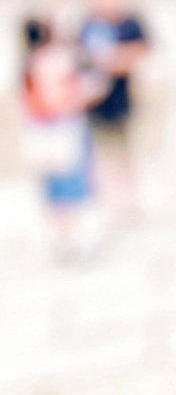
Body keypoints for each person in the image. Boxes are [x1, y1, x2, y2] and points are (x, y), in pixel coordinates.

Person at [21, 17, 102, 262]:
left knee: (55, 190)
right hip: (62, 128)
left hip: (40, 131)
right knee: (71, 187)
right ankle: (75, 239)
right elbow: (69, 93)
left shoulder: (28, 63)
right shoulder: (54, 60)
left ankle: (62, 238)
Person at [79, 0, 150, 220]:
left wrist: (114, 60)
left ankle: (131, 199)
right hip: (93, 101)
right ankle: (110, 203)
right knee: (101, 154)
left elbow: (144, 51)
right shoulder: (88, 24)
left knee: (125, 151)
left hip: (123, 96)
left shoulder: (129, 22)